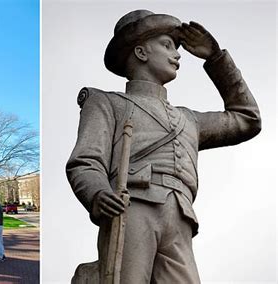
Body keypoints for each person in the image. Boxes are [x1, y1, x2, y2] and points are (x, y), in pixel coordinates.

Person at [66, 10, 261, 283]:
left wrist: (216, 59)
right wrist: (98, 193)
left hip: (181, 216)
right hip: (131, 206)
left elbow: (248, 119)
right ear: (141, 52)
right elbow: (85, 162)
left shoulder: (188, 119)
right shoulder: (105, 102)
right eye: (167, 45)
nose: (177, 54)